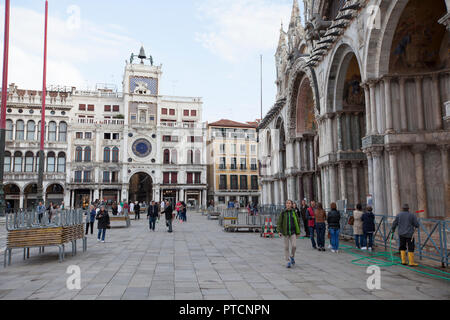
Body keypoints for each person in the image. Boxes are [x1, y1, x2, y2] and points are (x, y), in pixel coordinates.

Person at [278, 200, 301, 269]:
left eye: (289, 203)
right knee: (286, 247)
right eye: (287, 203)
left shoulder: (294, 212)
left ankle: (292, 256)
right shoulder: (283, 212)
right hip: (285, 232)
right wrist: (279, 231)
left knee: (294, 246)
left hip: (293, 232)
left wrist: (298, 232)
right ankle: (288, 261)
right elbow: (279, 222)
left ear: (291, 205)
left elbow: (297, 222)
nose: (288, 204)